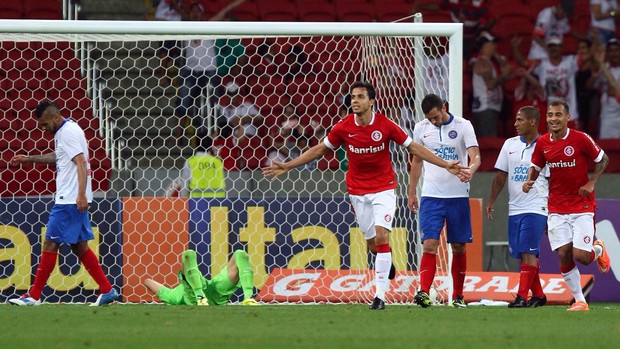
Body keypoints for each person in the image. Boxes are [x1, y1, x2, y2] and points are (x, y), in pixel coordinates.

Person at [263, 82, 470, 310]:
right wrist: (288, 165)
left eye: (360, 96)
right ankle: (386, 257)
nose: (354, 100)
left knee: (382, 236)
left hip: (384, 188)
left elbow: (414, 148)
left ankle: (379, 296)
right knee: (373, 245)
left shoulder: (385, 124)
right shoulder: (343, 127)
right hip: (357, 191)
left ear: (371, 101)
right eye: (352, 97)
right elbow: (320, 149)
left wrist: (444, 164)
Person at [9, 100, 119, 306]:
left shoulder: (67, 132)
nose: (43, 128)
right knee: (79, 247)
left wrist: (80, 195)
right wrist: (29, 158)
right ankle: (107, 290)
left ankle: (33, 296)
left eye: (44, 124)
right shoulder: (65, 131)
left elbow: (81, 162)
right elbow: (60, 157)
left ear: (56, 117)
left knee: (50, 242)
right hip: (70, 197)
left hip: (69, 199)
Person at [522, 100, 611, 311]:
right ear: (546, 119)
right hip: (556, 207)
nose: (554, 119)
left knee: (581, 256)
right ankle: (580, 300)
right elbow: (535, 166)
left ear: (567, 117)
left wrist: (592, 181)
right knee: (563, 253)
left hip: (581, 205)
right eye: (550, 115)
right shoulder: (543, 143)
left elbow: (603, 158)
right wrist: (529, 180)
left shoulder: (580, 139)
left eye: (558, 115)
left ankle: (598, 249)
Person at [408, 93, 481, 309]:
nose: (433, 121)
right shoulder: (421, 128)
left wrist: (471, 169)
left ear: (444, 107)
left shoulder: (463, 125)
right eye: (430, 119)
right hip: (431, 196)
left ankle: (457, 295)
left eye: (436, 117)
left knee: (458, 246)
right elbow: (417, 161)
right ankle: (423, 291)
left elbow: (475, 155)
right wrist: (412, 191)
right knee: (429, 244)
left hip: (457, 195)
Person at [486, 106, 548, 308]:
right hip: (515, 208)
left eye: (520, 120)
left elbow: (555, 179)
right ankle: (538, 295)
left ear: (532, 121)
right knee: (523, 253)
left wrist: (552, 208)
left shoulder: (547, 145)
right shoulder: (509, 144)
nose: (515, 124)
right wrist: (492, 200)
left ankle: (521, 296)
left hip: (537, 206)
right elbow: (500, 175)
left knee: (529, 252)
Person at [144, 249, 259, 306]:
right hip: (218, 296)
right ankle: (248, 297)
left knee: (188, 254)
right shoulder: (174, 297)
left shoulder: (174, 297)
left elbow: (147, 281)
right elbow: (148, 282)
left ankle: (200, 296)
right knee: (240, 254)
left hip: (206, 291)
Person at [471, 31, 511, 136]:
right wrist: (503, 75)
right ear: (484, 45)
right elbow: (490, 84)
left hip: (490, 107)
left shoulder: (489, 61)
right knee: (488, 140)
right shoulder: (482, 62)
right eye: (491, 43)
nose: (495, 46)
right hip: (485, 108)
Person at [595, 38, 620, 138]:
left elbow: (617, 92)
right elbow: (590, 86)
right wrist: (599, 65)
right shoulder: (603, 68)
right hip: (607, 119)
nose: (614, 53)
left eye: (617, 50)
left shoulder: (603, 68)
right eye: (611, 50)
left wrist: (601, 64)